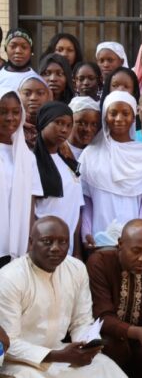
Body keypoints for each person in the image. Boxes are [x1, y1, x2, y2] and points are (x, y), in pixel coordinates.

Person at [0, 216, 128, 377]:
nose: (55, 248)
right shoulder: (10, 278)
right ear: (31, 243)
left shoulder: (76, 269)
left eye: (63, 242)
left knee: (104, 366)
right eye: (47, 241)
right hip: (19, 362)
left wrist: (88, 345)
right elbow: (9, 344)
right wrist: (58, 356)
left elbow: (81, 321)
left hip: (62, 353)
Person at [86, 219, 142, 378]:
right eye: (136, 251)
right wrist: (135, 332)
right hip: (112, 337)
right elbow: (102, 316)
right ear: (120, 244)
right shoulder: (100, 262)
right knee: (111, 345)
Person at [79, 91, 142, 248]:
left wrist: (141, 231)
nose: (119, 119)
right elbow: (86, 199)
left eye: (125, 113)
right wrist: (86, 232)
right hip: (98, 237)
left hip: (135, 240)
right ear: (105, 117)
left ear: (134, 117)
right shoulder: (90, 153)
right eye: (113, 113)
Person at [33, 101, 83, 258]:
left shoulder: (69, 161)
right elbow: (29, 209)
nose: (64, 129)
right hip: (43, 246)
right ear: (44, 122)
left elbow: (76, 208)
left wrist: (76, 250)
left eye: (69, 125)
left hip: (67, 247)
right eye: (58, 123)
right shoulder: (32, 161)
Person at [0, 87, 42, 268]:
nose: (10, 118)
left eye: (16, 112)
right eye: (2, 112)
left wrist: (29, 241)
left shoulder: (27, 157)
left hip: (16, 245)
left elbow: (31, 203)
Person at [18, 74, 52, 148]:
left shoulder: (55, 125)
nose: (33, 98)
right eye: (27, 94)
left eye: (40, 93)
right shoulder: (12, 127)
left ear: (48, 96)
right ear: (18, 96)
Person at [67, 96, 101, 160]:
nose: (88, 129)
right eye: (81, 123)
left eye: (94, 124)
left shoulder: (99, 153)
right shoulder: (57, 149)